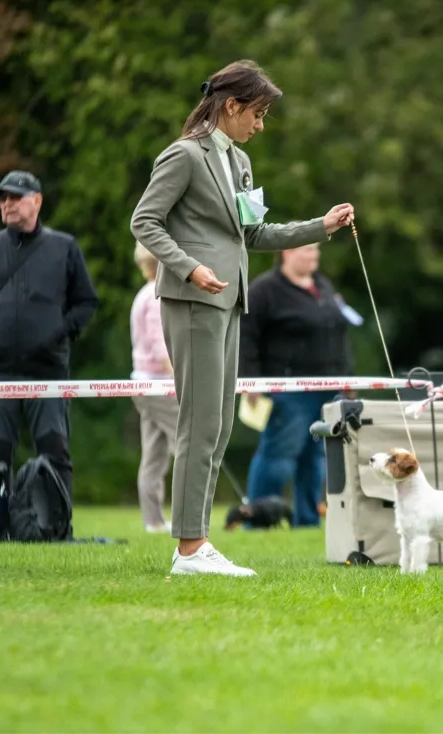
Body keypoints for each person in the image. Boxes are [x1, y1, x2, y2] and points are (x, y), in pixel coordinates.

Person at [130, 58, 355, 577]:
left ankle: (197, 542)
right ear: (231, 106)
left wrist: (320, 226)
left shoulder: (240, 164)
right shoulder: (184, 155)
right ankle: (189, 549)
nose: (260, 125)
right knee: (199, 425)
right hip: (193, 301)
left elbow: (254, 236)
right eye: (257, 113)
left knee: (221, 424)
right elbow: (144, 220)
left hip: (230, 303)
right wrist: (189, 269)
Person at [0, 170, 99, 503]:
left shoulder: (64, 247)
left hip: (47, 368)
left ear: (37, 201)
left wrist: (59, 333)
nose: (7, 204)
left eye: (15, 197)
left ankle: (56, 527)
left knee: (54, 450)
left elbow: (86, 302)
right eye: (3, 199)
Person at [239, 244, 354, 528]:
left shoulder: (322, 285)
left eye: (316, 251)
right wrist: (249, 381)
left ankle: (308, 519)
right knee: (278, 455)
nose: (314, 256)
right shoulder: (264, 290)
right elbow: (246, 337)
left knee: (315, 457)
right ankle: (259, 519)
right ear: (287, 253)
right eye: (307, 250)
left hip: (329, 386)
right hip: (288, 387)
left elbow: (340, 333)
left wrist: (348, 378)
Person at [130, 241, 176, 533]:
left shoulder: (143, 295)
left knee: (155, 453)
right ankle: (190, 517)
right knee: (189, 442)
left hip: (144, 384)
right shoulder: (158, 296)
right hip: (160, 385)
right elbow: (163, 352)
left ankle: (154, 521)